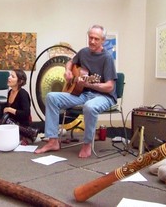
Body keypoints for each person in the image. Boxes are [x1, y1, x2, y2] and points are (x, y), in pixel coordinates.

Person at [35, 25, 117, 158]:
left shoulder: (107, 58)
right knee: (51, 97)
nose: (92, 41)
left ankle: (87, 143)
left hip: (103, 96)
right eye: (90, 37)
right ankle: (53, 140)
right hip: (83, 94)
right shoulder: (83, 52)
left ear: (103, 40)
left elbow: (110, 87)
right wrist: (67, 71)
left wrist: (92, 84)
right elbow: (70, 63)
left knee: (89, 107)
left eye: (96, 39)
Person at [1, 69, 38, 143]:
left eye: (13, 76)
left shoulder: (23, 94)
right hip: (11, 124)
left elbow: (26, 114)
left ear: (20, 81)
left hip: (21, 125)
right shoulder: (10, 92)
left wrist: (9, 109)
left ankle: (27, 135)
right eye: (10, 75)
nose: (9, 78)